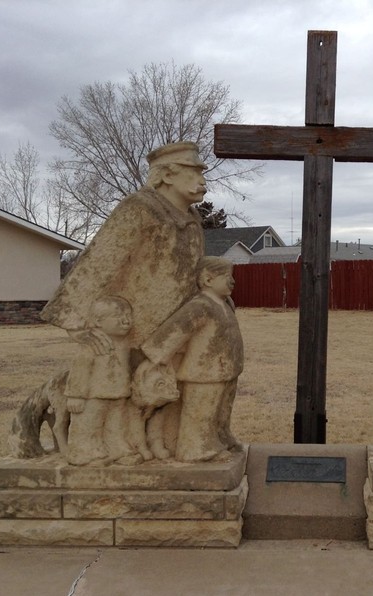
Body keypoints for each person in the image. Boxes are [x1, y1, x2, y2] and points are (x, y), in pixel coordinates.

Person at [40, 141, 207, 460]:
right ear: (167, 176)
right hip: (133, 326)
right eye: (193, 172)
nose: (202, 181)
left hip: (175, 326)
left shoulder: (192, 218)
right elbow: (99, 263)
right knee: (119, 397)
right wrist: (75, 321)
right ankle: (99, 447)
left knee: (165, 394)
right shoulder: (140, 208)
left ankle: (165, 445)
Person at [140, 257, 244, 462]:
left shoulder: (223, 304)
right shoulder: (200, 306)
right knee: (200, 413)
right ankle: (194, 450)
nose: (232, 281)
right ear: (207, 279)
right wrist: (157, 357)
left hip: (226, 370)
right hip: (203, 372)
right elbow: (174, 331)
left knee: (220, 412)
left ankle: (220, 440)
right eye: (226, 277)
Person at [65, 296, 137, 466]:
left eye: (128, 315)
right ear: (98, 321)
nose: (126, 321)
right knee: (89, 424)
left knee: (117, 424)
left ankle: (118, 450)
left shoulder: (125, 342)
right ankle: (85, 453)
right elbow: (80, 369)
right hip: (94, 395)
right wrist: (76, 395)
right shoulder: (91, 344)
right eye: (118, 316)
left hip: (119, 392)